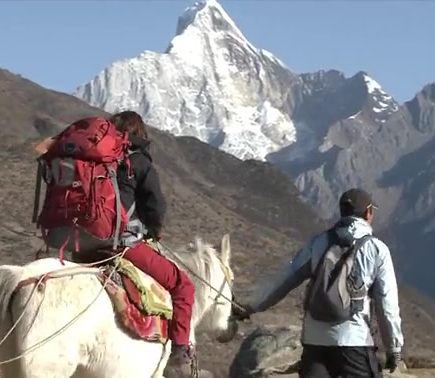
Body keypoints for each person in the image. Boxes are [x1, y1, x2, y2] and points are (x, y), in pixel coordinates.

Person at [233, 188, 404, 378]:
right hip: (353, 340)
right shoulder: (377, 249)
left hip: (314, 341)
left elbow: (285, 279)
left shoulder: (318, 243)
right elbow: (387, 304)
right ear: (368, 213)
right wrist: (393, 347)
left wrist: (251, 305)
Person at [107, 111, 200, 377]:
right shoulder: (138, 161)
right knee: (183, 286)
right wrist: (154, 230)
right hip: (122, 243)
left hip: (80, 244)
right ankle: (180, 348)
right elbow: (155, 205)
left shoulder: (98, 160)